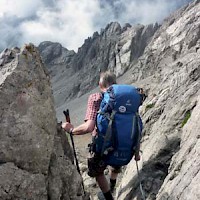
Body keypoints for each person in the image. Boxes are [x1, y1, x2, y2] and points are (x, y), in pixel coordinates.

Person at [62, 71, 140, 200]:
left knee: (97, 171)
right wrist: (137, 151)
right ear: (115, 83)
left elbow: (89, 127)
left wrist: (71, 129)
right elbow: (135, 124)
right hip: (124, 143)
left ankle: (108, 197)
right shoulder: (127, 99)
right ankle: (113, 185)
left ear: (100, 84)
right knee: (115, 164)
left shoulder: (96, 98)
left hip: (102, 145)